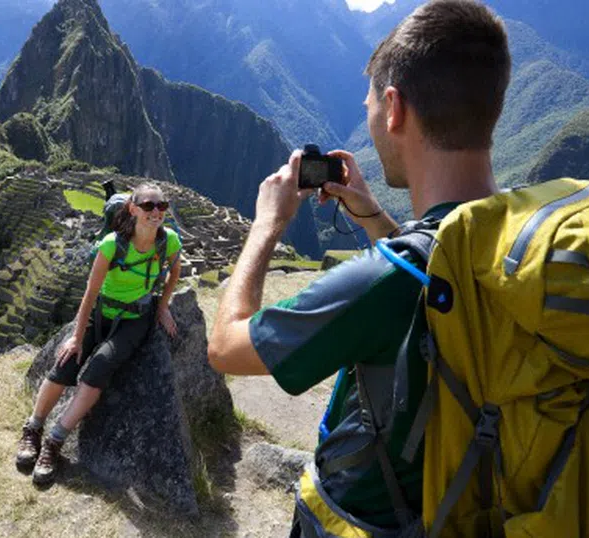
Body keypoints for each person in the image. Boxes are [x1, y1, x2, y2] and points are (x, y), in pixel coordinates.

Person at [207, 0, 510, 535]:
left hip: (371, 518)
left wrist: (265, 227)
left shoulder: (382, 281)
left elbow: (225, 350)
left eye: (369, 100)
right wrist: (373, 218)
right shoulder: (516, 236)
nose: (367, 113)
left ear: (393, 108)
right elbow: (435, 268)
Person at [17, 182, 183, 485]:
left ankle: (54, 441)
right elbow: (90, 294)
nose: (156, 212)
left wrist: (162, 307)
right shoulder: (112, 244)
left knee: (99, 369)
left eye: (162, 206)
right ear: (133, 208)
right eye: (148, 206)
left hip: (135, 318)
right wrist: (76, 338)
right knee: (66, 363)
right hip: (101, 312)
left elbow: (175, 272)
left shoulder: (169, 241)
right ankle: (33, 428)